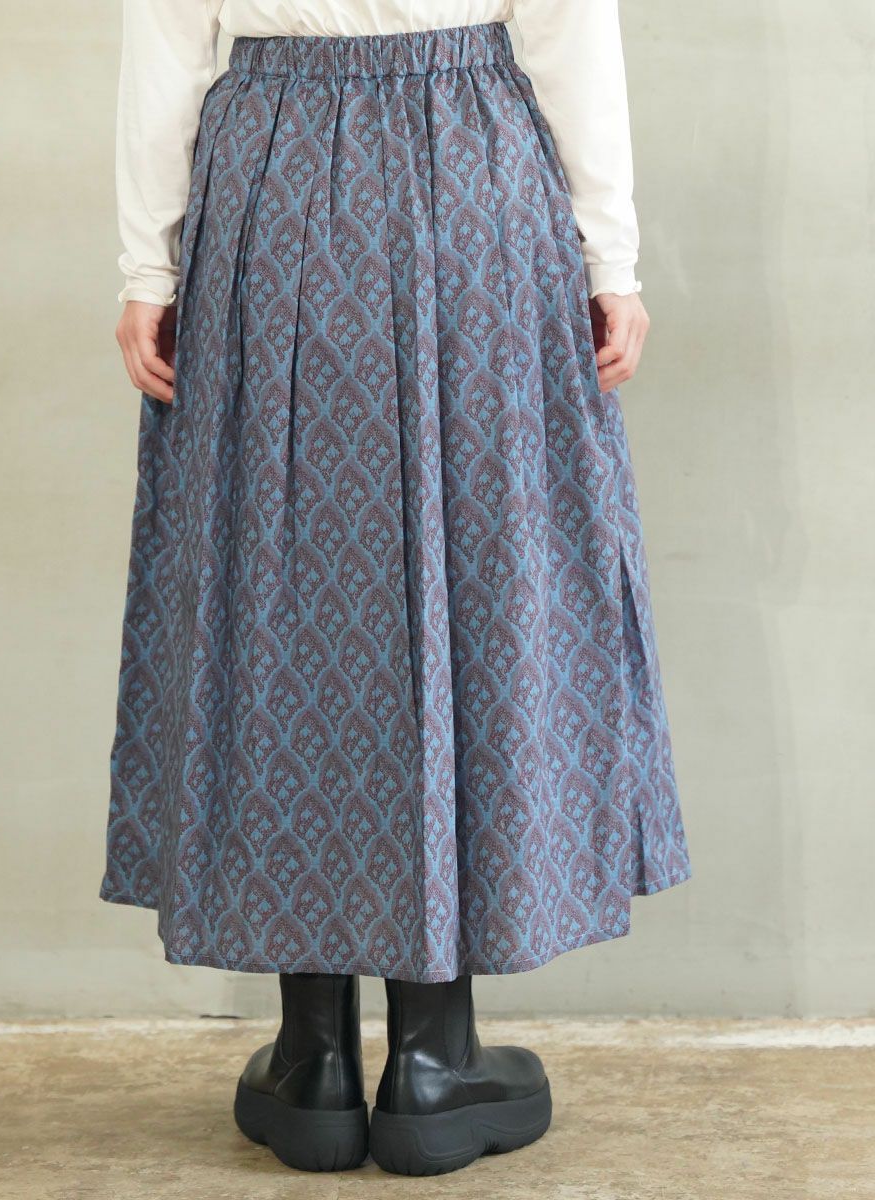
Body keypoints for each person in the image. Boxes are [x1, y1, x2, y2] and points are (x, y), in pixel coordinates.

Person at [102, 0, 693, 1178]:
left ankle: (312, 1055)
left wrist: (146, 267)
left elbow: (165, 37)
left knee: (276, 585)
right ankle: (434, 1055)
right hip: (472, 167)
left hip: (268, 175)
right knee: (476, 572)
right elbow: (569, 31)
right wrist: (610, 259)